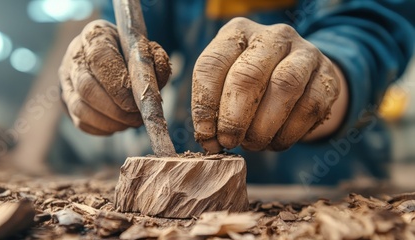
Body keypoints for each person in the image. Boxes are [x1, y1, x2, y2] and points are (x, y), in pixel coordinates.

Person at [58, 0, 415, 185]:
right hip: (190, 168)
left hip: (330, 170)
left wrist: (319, 78)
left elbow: (371, 25)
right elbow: (130, 29)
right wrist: (95, 66)